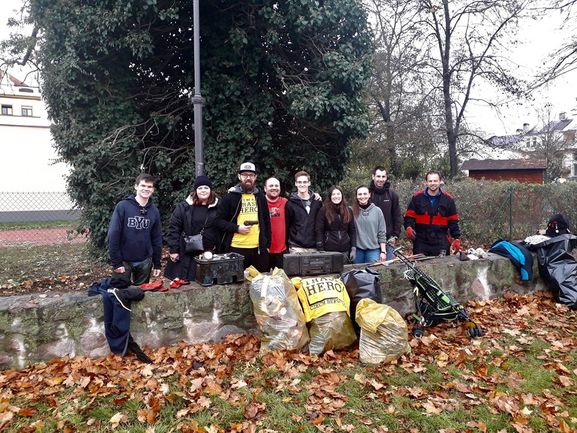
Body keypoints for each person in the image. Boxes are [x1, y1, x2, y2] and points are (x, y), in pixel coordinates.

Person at [215, 162, 271, 272]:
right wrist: (237, 228)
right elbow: (218, 221)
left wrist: (267, 244)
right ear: (239, 176)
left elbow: (266, 221)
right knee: (236, 284)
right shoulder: (230, 197)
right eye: (245, 175)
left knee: (260, 283)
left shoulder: (260, 197)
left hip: (258, 249)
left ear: (255, 177)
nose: (248, 178)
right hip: (236, 247)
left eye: (251, 175)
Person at [108, 173, 163, 285]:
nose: (146, 189)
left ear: (153, 190)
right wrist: (116, 262)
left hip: (144, 260)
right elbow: (113, 234)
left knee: (141, 294)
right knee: (119, 293)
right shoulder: (123, 206)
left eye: (149, 187)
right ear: (136, 186)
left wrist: (157, 263)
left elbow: (156, 238)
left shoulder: (154, 211)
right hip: (124, 260)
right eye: (143, 186)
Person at [164, 175, 220, 283]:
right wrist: (174, 249)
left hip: (208, 252)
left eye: (206, 188)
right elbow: (174, 228)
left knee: (208, 283)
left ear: (210, 190)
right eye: (200, 188)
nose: (203, 190)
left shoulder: (218, 206)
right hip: (186, 252)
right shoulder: (184, 207)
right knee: (185, 283)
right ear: (195, 190)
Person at [404, 171, 461, 256]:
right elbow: (409, 217)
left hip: (441, 242)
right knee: (420, 268)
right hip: (421, 243)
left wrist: (456, 238)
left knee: (441, 268)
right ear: (426, 182)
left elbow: (453, 222)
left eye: (435, 181)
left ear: (440, 181)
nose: (433, 183)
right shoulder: (417, 198)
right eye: (430, 181)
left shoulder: (448, 199)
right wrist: (408, 227)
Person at [315, 185, 356, 262]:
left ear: (342, 195)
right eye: (333, 194)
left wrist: (353, 248)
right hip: (329, 250)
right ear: (330, 196)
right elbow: (319, 230)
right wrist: (320, 248)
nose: (336, 196)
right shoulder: (323, 210)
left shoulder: (348, 210)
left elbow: (352, 230)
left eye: (338, 194)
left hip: (345, 250)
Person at [369, 166, 401, 260]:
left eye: (383, 177)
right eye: (378, 176)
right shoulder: (367, 194)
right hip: (370, 241)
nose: (381, 179)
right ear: (373, 177)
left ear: (386, 178)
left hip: (388, 239)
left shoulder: (392, 195)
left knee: (389, 268)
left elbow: (397, 216)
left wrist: (395, 236)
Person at [286, 170, 322, 253]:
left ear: (309, 183)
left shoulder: (317, 201)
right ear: (295, 183)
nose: (302, 184)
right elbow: (287, 225)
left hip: (314, 247)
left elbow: (320, 223)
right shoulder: (290, 203)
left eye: (305, 182)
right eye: (299, 182)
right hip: (296, 247)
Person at [352, 185, 387, 264]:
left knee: (372, 275)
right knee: (357, 275)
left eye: (365, 194)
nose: (362, 196)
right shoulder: (352, 211)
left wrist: (383, 251)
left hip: (373, 251)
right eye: (360, 194)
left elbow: (381, 232)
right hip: (357, 251)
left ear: (369, 195)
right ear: (356, 196)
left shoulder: (377, 211)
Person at [264, 177, 288, 269]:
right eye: (271, 185)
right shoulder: (259, 202)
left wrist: (314, 195)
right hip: (265, 250)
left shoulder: (286, 202)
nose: (274, 188)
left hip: (282, 250)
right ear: (265, 188)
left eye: (276, 185)